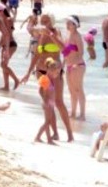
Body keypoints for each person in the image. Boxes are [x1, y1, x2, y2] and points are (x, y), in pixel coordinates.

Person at [21, 13, 74, 142]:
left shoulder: (56, 32)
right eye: (42, 20)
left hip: (54, 72)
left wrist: (50, 34)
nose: (44, 23)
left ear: (52, 22)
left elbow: (64, 48)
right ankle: (54, 133)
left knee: (58, 102)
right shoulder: (40, 35)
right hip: (41, 71)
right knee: (48, 103)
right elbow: (37, 54)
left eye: (47, 21)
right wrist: (28, 73)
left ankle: (69, 134)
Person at [63, 15, 86, 120]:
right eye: (67, 23)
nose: (67, 25)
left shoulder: (77, 36)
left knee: (78, 89)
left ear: (75, 25)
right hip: (69, 66)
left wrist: (75, 64)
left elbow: (81, 52)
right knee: (71, 90)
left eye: (69, 23)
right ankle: (73, 112)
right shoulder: (68, 36)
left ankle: (82, 114)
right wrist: (63, 65)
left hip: (78, 66)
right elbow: (65, 53)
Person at [0, 3, 20, 91]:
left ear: (1, 11)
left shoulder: (8, 20)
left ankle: (16, 79)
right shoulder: (1, 20)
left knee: (3, 65)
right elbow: (3, 35)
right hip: (5, 45)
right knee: (4, 66)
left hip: (10, 45)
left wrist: (7, 50)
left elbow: (7, 35)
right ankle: (6, 86)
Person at [35, 57, 60, 144]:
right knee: (47, 122)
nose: (57, 75)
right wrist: (45, 102)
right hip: (47, 103)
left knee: (48, 121)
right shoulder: (46, 79)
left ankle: (47, 139)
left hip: (50, 103)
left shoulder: (51, 79)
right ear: (50, 70)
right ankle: (38, 137)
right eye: (56, 72)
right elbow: (43, 92)